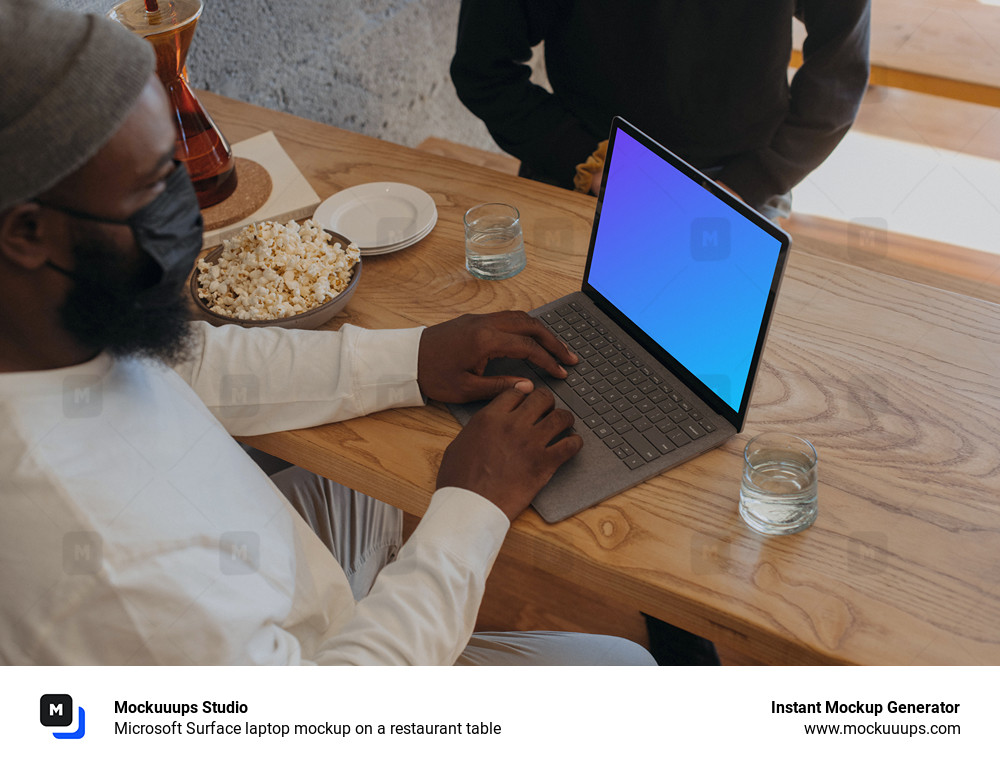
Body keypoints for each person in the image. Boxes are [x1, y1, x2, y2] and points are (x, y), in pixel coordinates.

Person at [0, 0, 655, 666]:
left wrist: (417, 356)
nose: (187, 201)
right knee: (628, 670)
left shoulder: (46, 330)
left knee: (371, 472)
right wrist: (471, 508)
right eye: (152, 185)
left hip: (276, 570)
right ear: (28, 233)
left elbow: (192, 362)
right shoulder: (112, 569)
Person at [451, 0, 871, 219]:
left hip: (738, 182)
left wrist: (751, 181)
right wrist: (590, 165)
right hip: (586, 174)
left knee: (707, 370)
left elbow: (840, 72)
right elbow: (483, 69)